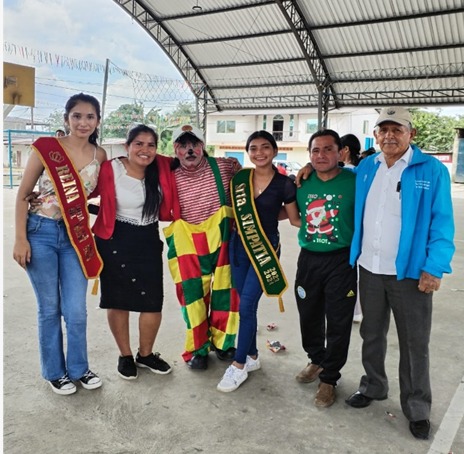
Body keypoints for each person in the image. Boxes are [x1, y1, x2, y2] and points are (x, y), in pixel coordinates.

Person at [344, 107, 455, 440]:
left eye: (397, 129)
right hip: (370, 267)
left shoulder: (431, 170)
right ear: (375, 135)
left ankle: (417, 407)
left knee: (414, 342)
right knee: (371, 333)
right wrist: (308, 168)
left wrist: (434, 267)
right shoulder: (367, 167)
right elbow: (335, 173)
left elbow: (442, 222)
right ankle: (374, 386)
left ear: (411, 134)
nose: (389, 136)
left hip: (410, 273)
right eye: (384, 130)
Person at [13, 93, 107, 395]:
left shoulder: (100, 155)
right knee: (49, 308)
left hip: (76, 238)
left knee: (76, 310)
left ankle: (79, 369)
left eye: (90, 117)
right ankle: (55, 373)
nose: (83, 122)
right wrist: (20, 239)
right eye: (77, 116)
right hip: (40, 231)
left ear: (97, 121)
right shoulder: (47, 148)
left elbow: (94, 196)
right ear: (66, 119)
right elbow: (23, 195)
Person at [217, 130, 300, 392]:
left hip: (265, 249)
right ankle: (252, 355)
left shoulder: (285, 184)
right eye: (253, 148)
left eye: (265, 147)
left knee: (247, 306)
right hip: (238, 247)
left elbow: (294, 218)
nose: (259, 153)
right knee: (245, 305)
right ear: (248, 152)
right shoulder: (240, 180)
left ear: (275, 151)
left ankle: (239, 364)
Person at [90, 125, 172, 379]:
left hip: (148, 238)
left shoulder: (162, 166)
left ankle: (145, 354)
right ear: (127, 146)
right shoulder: (111, 168)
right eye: (139, 144)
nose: (145, 150)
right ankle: (125, 355)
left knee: (153, 301)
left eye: (151, 145)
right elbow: (82, 185)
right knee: (117, 300)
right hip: (114, 239)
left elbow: (195, 161)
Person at [162, 125, 241, 370]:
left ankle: (224, 343)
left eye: (194, 144)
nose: (189, 150)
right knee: (192, 297)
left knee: (227, 292)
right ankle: (198, 348)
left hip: (222, 238)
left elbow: (254, 178)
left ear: (203, 146)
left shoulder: (225, 166)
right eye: (183, 146)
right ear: (175, 149)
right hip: (187, 242)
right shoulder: (168, 174)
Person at [294, 129, 357, 407]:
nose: (321, 155)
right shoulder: (301, 182)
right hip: (309, 258)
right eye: (315, 150)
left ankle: (330, 378)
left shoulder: (355, 181)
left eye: (328, 149)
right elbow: (293, 216)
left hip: (341, 260)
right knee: (308, 314)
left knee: (339, 320)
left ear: (341, 152)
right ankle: (316, 359)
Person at [340, 133, 363, 323]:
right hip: (360, 228)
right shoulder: (363, 171)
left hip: (345, 229)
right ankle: (357, 311)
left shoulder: (345, 173)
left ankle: (352, 310)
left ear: (346, 149)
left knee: (346, 272)